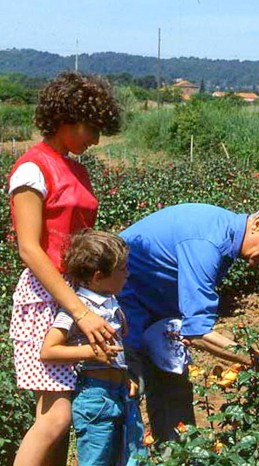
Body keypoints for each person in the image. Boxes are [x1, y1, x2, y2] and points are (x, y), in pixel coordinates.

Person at [118, 202, 259, 442]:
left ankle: (179, 455)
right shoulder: (207, 242)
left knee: (173, 393)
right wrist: (256, 359)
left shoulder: (224, 235)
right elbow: (198, 332)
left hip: (156, 311)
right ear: (258, 224)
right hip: (123, 306)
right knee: (126, 395)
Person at [8, 71, 120, 466]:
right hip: (46, 295)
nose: (96, 139)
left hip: (76, 294)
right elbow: (30, 249)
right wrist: (80, 311)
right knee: (57, 418)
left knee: (56, 417)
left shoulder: (75, 168)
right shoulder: (32, 168)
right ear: (67, 118)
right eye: (92, 128)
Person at [41, 229, 146, 466]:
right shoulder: (78, 309)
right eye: (122, 270)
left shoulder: (111, 302)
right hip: (94, 397)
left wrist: (124, 376)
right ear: (98, 276)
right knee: (96, 461)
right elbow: (49, 350)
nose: (127, 274)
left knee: (134, 458)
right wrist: (90, 352)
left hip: (119, 392)